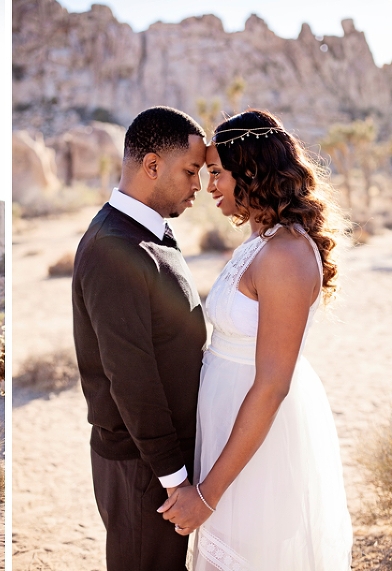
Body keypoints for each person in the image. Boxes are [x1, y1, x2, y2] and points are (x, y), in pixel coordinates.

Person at [158, 109, 353, 569]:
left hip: (258, 444)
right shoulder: (261, 240)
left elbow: (272, 385)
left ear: (250, 171)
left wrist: (207, 495)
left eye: (216, 173)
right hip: (227, 429)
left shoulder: (285, 254)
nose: (209, 187)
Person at [72, 106, 208, 571]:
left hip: (156, 462)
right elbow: (131, 375)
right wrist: (174, 479)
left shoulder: (147, 234)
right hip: (143, 468)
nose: (199, 186)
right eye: (191, 172)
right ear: (152, 166)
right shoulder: (116, 247)